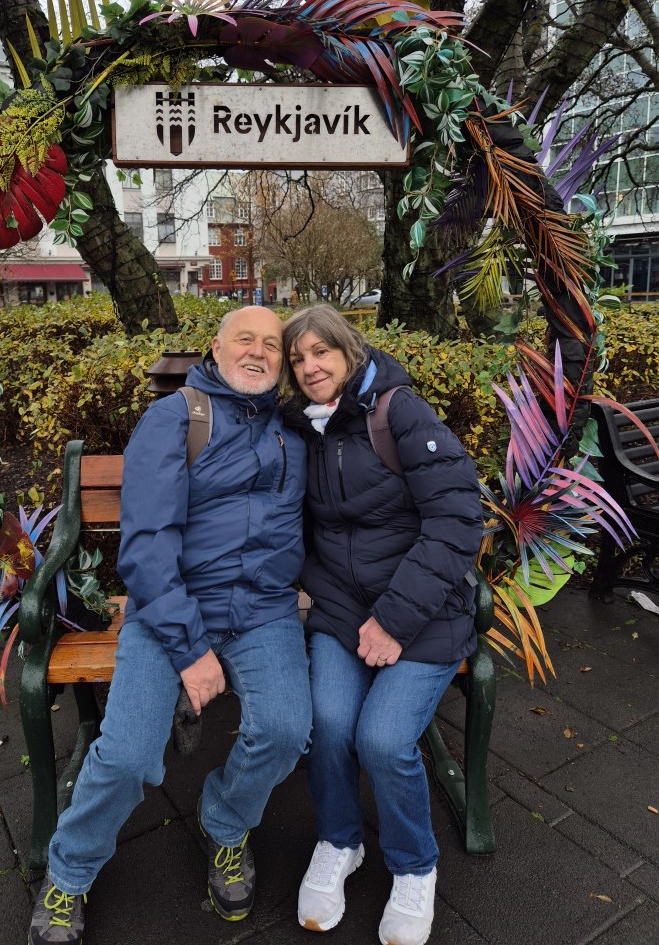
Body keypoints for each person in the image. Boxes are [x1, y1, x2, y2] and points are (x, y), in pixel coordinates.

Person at [29, 306, 312, 945]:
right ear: (216, 347)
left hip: (264, 611)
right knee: (128, 754)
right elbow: (148, 549)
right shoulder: (176, 418)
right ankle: (68, 873)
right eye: (245, 339)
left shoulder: (294, 430)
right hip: (170, 609)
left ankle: (226, 822)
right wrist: (191, 653)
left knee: (287, 730)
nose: (259, 352)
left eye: (272, 344)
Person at [281, 306, 484, 945]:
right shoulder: (302, 428)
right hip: (343, 611)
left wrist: (393, 620)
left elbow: (457, 521)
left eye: (321, 352)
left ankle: (414, 864)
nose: (310, 367)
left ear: (349, 350)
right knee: (327, 723)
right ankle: (340, 841)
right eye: (298, 358)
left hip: (424, 613)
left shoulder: (397, 413)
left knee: (383, 740)